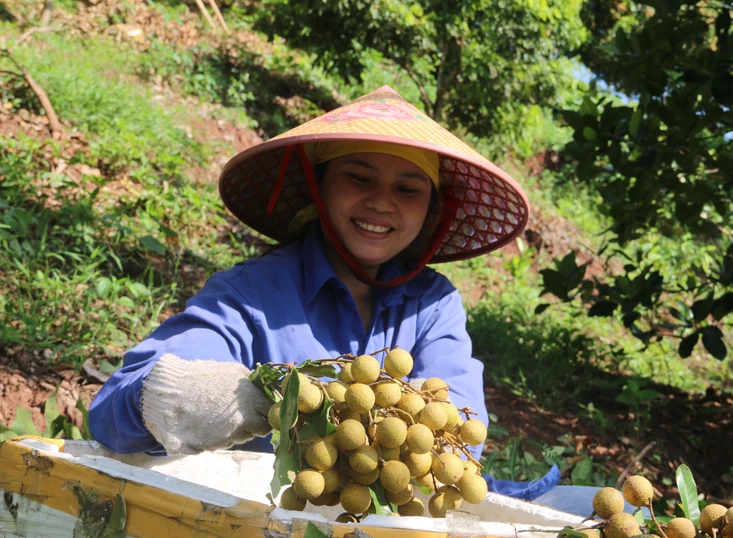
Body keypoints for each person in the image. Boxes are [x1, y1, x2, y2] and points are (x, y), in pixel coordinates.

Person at [89, 86, 532, 461]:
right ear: (319, 186)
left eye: (408, 189)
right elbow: (112, 410)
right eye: (360, 178)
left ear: (429, 210)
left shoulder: (433, 304)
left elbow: (461, 428)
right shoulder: (250, 296)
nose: (381, 203)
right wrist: (222, 398)